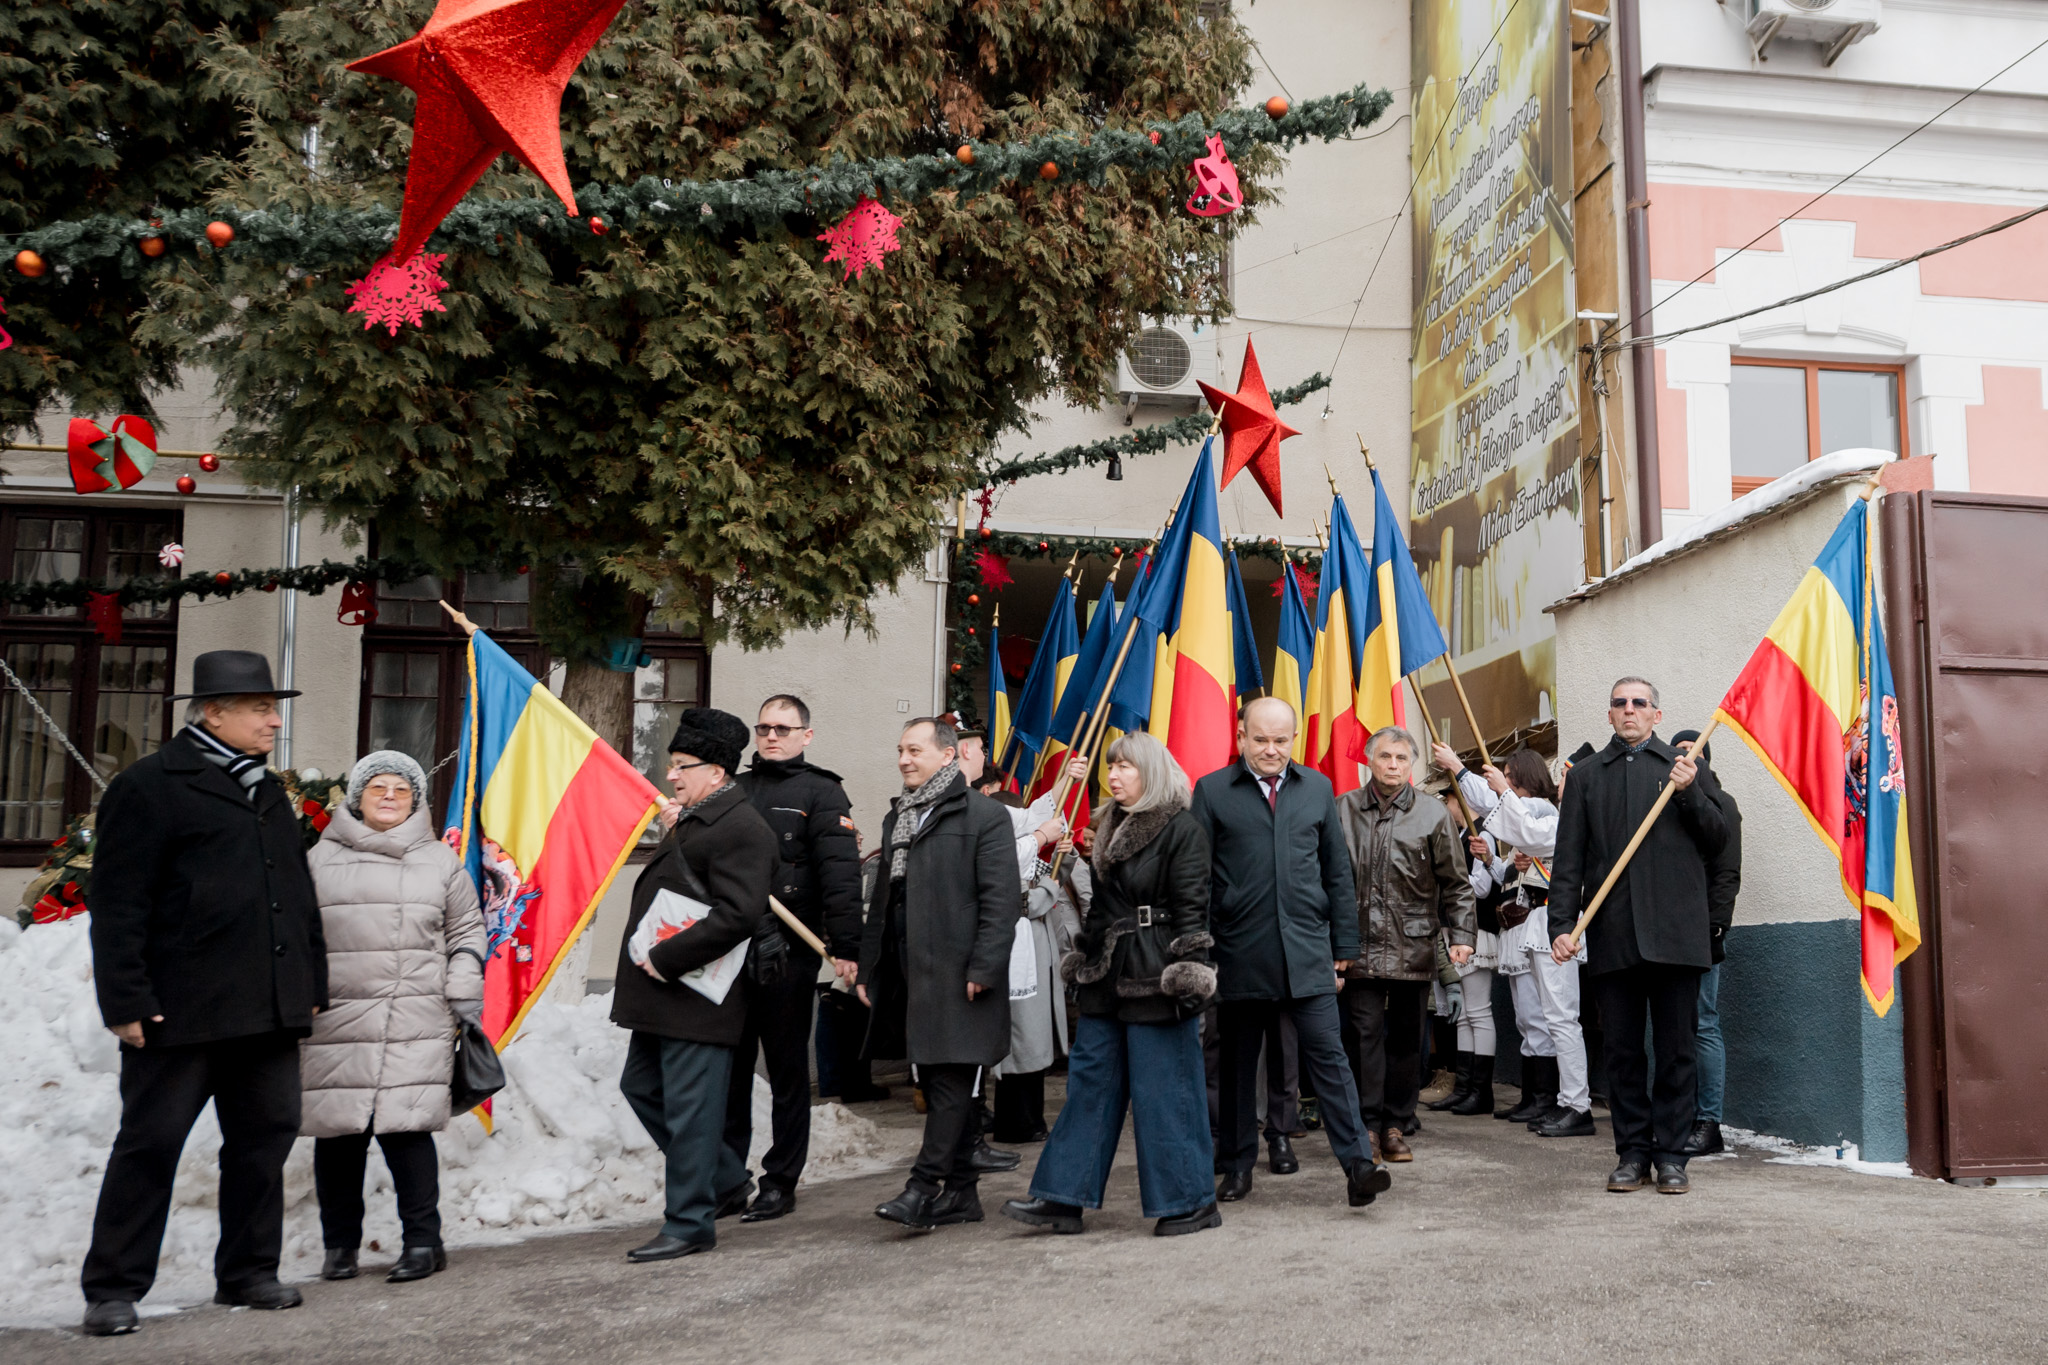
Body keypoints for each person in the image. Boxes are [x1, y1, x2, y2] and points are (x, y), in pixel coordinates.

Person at [80, 651, 326, 1337]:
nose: (274, 720)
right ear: (213, 712)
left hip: (267, 1009)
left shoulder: (266, 790)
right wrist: (124, 999)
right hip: (178, 1010)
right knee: (151, 1144)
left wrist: (309, 982)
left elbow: (296, 896)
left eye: (273, 708)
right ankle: (112, 1287)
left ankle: (248, 1271)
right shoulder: (149, 786)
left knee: (263, 1142)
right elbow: (118, 903)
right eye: (260, 708)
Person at [1002, 732, 1220, 1236]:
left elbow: (1193, 907)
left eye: (1125, 767)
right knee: (1090, 1087)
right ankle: (1062, 1197)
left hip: (1158, 975)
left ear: (1151, 772)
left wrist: (1190, 973)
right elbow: (1101, 908)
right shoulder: (1109, 823)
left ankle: (1192, 1202)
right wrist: (1084, 960)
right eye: (1111, 766)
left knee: (1164, 1093)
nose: (1113, 775)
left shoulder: (1182, 828)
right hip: (1106, 974)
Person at [1191, 696, 1390, 1209]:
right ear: (1241, 737)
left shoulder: (1317, 788)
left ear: (1294, 739)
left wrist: (1344, 944)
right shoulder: (1212, 791)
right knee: (1238, 1068)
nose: (1271, 750)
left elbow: (1337, 871)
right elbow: (1197, 880)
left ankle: (1358, 1167)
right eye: (1261, 739)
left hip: (1307, 954)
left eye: (1281, 740)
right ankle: (1237, 1166)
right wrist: (1200, 953)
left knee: (1331, 1060)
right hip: (1238, 954)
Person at [301, 751, 485, 1284]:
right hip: (338, 1016)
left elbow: (467, 929)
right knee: (339, 1135)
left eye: (401, 789)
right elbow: (296, 932)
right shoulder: (319, 859)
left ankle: (424, 1242)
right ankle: (339, 1247)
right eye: (377, 787)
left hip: (415, 1014)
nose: (389, 796)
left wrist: (463, 984)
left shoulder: (440, 861)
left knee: (407, 1132)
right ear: (357, 798)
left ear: (415, 800)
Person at [1549, 677, 1729, 1195]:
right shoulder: (1585, 777)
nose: (1629, 710)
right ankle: (1632, 1153)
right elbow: (1568, 860)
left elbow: (1717, 840)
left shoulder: (1685, 768)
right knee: (1623, 1054)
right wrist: (1562, 926)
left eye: (1639, 703)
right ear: (1609, 714)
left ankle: (1672, 1156)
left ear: (1656, 714)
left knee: (1677, 1053)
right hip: (1615, 933)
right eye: (1620, 703)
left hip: (1677, 936)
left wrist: (1691, 792)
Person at [611, 708, 778, 1262]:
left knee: (690, 1113)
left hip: (697, 995)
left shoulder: (742, 828)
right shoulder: (701, 818)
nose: (672, 775)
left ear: (717, 772)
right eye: (673, 764)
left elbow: (738, 915)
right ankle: (725, 1180)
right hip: (665, 994)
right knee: (642, 1087)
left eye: (683, 765)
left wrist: (666, 957)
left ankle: (689, 1223)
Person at [857, 717, 1019, 1230]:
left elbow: (1001, 899)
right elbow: (885, 901)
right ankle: (962, 1196)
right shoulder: (899, 816)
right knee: (937, 1077)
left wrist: (986, 965)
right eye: (900, 750)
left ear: (948, 756)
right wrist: (868, 967)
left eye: (915, 750)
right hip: (912, 973)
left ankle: (922, 1188)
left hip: (961, 971)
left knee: (950, 1080)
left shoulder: (984, 815)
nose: (903, 759)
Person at [725, 694, 865, 1223]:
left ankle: (780, 1181)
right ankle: (727, 1180)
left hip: (789, 951)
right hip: (732, 949)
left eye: (783, 729)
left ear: (806, 735)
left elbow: (840, 876)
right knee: (731, 1071)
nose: (771, 736)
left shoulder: (822, 792)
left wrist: (847, 947)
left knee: (786, 1072)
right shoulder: (734, 789)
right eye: (764, 728)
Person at [1436, 742, 1594, 1137]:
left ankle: (1574, 1103)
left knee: (1559, 1018)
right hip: (1533, 922)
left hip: (1553, 921)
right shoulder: (1546, 813)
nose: (1561, 782)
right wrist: (1496, 861)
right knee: (1537, 1018)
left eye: (1567, 775)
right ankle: (1548, 1098)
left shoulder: (1554, 814)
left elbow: (1518, 821)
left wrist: (1465, 772)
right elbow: (1510, 833)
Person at [1335, 728, 1476, 1162]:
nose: (1393, 765)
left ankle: (1396, 1124)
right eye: (1385, 756)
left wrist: (1463, 935)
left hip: (1413, 945)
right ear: (1369, 760)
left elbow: (1456, 883)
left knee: (1407, 1040)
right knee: (1362, 1037)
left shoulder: (1432, 814)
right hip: (1357, 946)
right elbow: (1326, 880)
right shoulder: (1342, 809)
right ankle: (1367, 1127)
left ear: (1411, 764)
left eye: (1401, 757)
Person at [1671, 729, 1742, 1158]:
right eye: (1679, 752)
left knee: (1703, 1023)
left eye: (1694, 752)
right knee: (1678, 1026)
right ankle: (1682, 1116)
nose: (1685, 758)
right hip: (1671, 931)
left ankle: (1708, 1122)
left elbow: (1726, 873)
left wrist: (1716, 927)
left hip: (1703, 932)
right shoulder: (1669, 801)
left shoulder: (1722, 804)